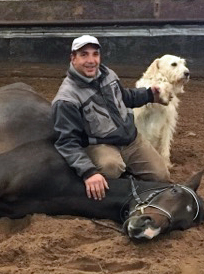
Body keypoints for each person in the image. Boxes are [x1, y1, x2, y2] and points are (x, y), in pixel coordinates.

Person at [52, 35, 170, 201]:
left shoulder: (108, 75)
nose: (91, 60)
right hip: (101, 144)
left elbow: (124, 97)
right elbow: (66, 142)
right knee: (111, 167)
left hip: (131, 140)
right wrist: (88, 172)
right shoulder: (67, 99)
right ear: (73, 58)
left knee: (161, 177)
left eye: (95, 54)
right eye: (84, 54)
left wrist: (150, 94)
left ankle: (127, 172)